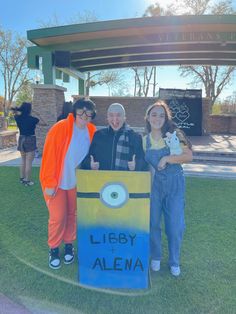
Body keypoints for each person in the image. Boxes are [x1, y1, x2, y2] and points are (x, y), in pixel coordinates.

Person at [40, 97, 96, 269]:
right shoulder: (60, 128)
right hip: (57, 182)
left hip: (77, 183)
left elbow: (91, 156)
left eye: (89, 113)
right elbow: (49, 155)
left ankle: (69, 245)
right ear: (75, 112)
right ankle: (54, 249)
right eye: (81, 111)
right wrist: (49, 181)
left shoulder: (92, 131)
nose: (85, 116)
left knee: (72, 215)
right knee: (58, 217)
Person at [143, 100, 193, 277]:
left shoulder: (175, 134)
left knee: (175, 225)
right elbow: (144, 166)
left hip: (174, 185)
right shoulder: (144, 141)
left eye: (161, 115)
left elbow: (188, 155)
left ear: (166, 118)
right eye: (154, 114)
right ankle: (155, 256)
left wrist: (167, 159)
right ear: (148, 118)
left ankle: (174, 260)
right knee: (153, 223)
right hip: (154, 186)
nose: (157, 118)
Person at [81, 102, 147, 171]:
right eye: (111, 115)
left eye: (118, 115)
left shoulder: (135, 137)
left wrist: (136, 166)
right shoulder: (98, 136)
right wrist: (90, 165)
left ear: (124, 118)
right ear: (107, 118)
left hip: (126, 181)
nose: (115, 119)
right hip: (101, 180)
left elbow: (144, 163)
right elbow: (87, 160)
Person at [12, 102, 39, 186]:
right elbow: (44, 123)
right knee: (28, 162)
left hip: (21, 139)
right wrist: (36, 112)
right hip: (30, 139)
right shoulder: (33, 119)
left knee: (23, 160)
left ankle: (22, 178)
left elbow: (15, 112)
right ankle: (27, 181)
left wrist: (19, 110)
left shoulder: (17, 118)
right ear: (30, 109)